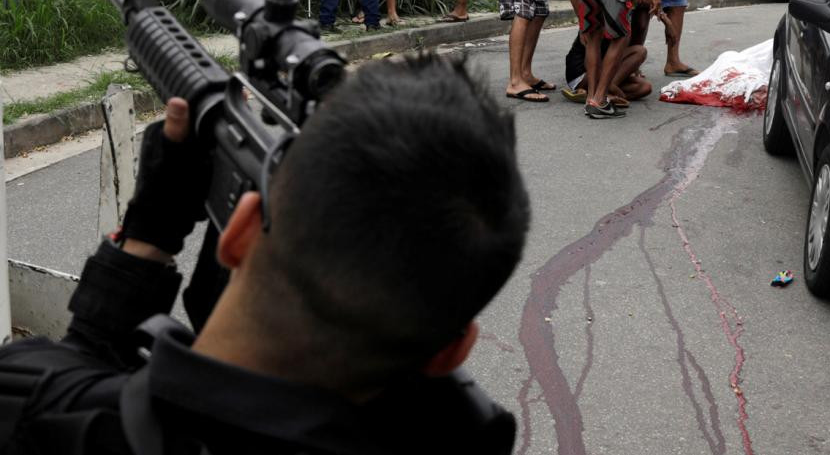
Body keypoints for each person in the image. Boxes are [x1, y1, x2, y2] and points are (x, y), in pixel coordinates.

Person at [0, 55, 529, 453]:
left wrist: (148, 233)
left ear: (240, 233)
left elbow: (67, 378)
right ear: (452, 351)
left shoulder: (35, 408)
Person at [562, 34, 652, 107]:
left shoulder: (623, 22)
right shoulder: (596, 22)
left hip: (604, 74)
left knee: (644, 87)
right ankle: (603, 93)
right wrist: (616, 91)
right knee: (640, 51)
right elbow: (590, 64)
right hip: (583, 74)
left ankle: (598, 94)